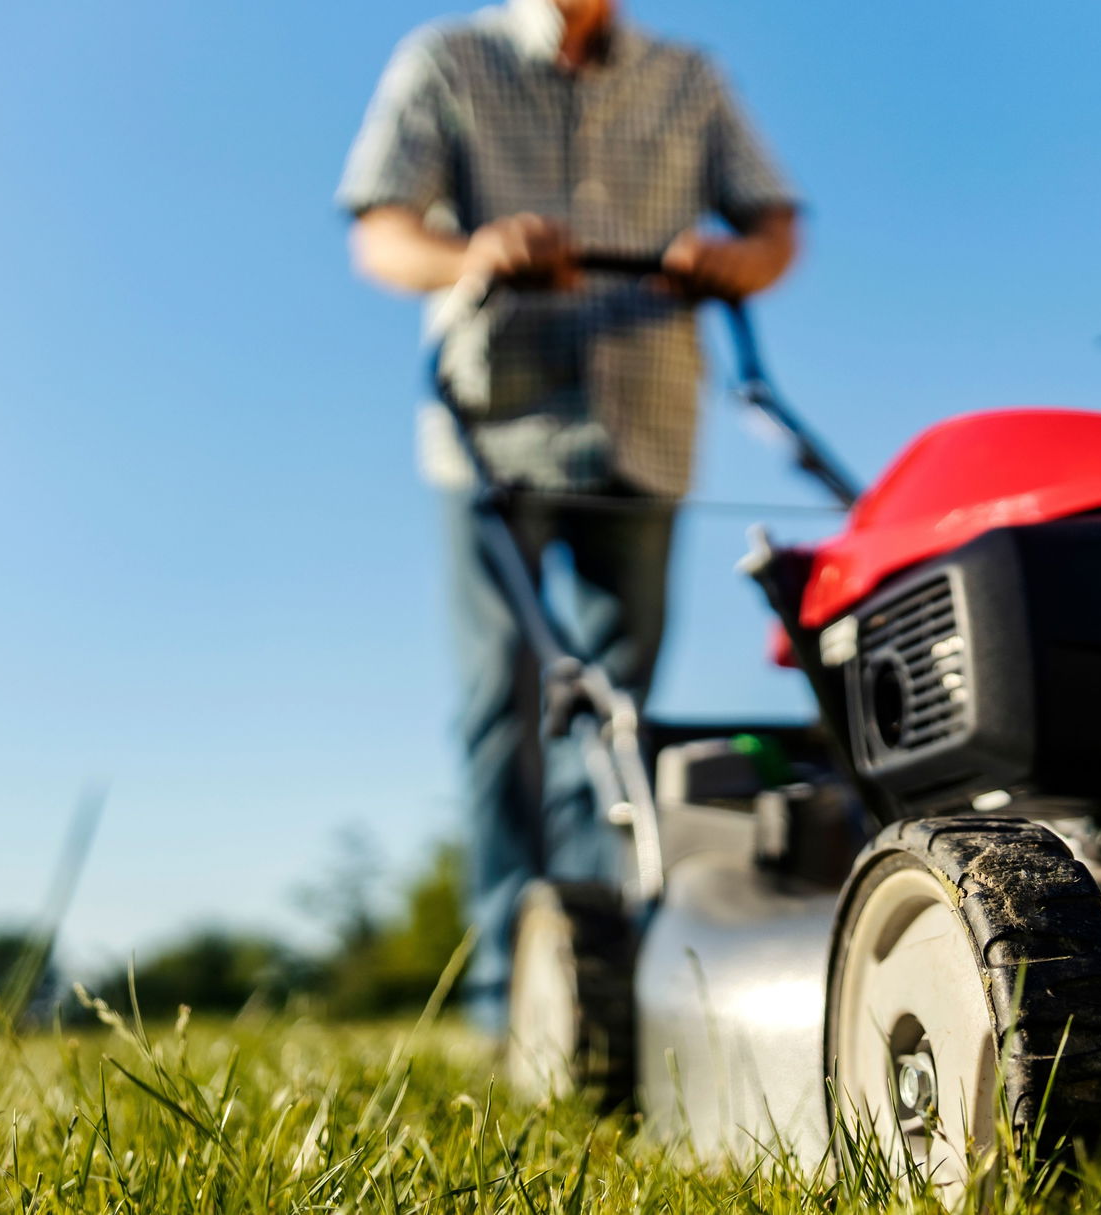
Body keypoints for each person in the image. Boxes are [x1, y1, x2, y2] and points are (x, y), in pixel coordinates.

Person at [338, 0, 801, 1030]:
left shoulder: (688, 77)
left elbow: (773, 226)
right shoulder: (448, 61)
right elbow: (382, 234)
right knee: (505, 703)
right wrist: (475, 255)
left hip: (643, 421)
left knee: (619, 707)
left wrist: (732, 262)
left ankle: (609, 966)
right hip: (495, 431)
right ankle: (511, 993)